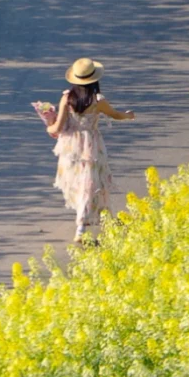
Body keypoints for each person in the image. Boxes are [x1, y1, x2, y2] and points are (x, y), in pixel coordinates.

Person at [46, 57, 135, 244]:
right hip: (91, 145)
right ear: (95, 80)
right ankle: (82, 226)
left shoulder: (67, 98)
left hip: (70, 146)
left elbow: (57, 127)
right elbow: (115, 115)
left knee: (79, 183)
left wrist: (48, 125)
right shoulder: (98, 100)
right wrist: (127, 116)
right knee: (91, 183)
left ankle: (103, 219)